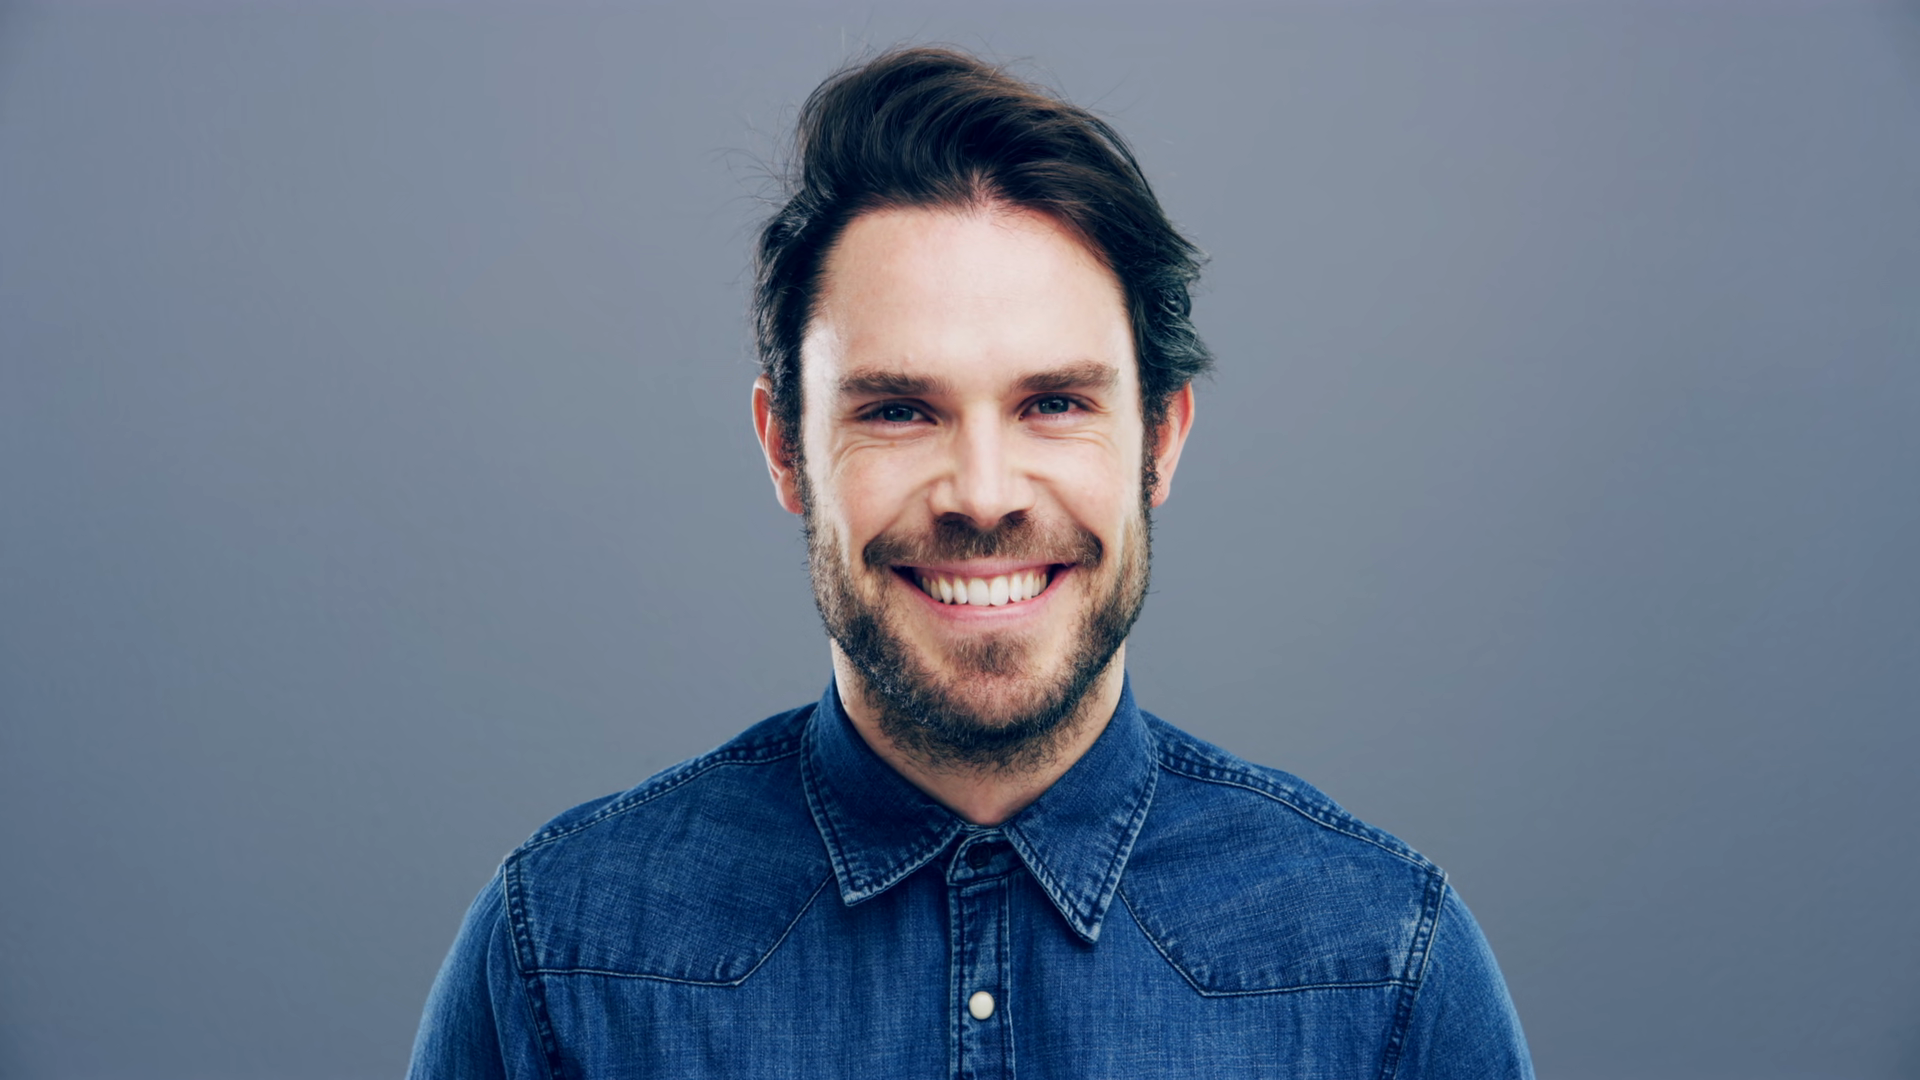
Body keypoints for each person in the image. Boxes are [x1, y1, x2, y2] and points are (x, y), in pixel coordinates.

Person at [408, 46, 1533, 1079]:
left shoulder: (1384, 969)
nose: (984, 494)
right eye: (900, 410)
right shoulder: (561, 959)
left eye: (1055, 403)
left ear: (1161, 440)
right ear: (786, 450)